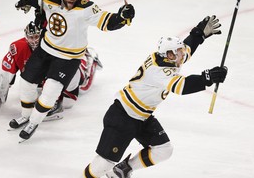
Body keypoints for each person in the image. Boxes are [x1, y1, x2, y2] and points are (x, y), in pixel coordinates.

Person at [83, 15, 228, 178]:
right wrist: (207, 78)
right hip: (122, 117)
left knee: (164, 150)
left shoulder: (168, 58)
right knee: (103, 164)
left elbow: (187, 48)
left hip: (142, 117)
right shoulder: (158, 70)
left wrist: (198, 34)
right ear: (170, 55)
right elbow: (182, 86)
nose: (183, 54)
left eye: (180, 51)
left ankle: (122, 170)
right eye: (178, 52)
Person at [14, 0, 135, 141]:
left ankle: (34, 122)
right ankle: (25, 115)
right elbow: (36, 0)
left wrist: (122, 17)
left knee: (50, 90)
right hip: (45, 49)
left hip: (69, 58)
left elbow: (108, 22)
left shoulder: (86, 8)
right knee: (27, 83)